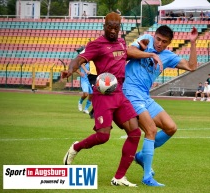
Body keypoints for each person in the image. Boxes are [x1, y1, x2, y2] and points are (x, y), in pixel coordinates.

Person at [61, 12, 141, 187]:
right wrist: (70, 70)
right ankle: (76, 147)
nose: (113, 30)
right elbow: (78, 59)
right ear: (104, 25)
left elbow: (124, 56)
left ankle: (119, 177)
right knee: (103, 136)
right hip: (104, 95)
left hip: (119, 92)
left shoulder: (121, 42)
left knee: (135, 133)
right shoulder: (96, 44)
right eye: (109, 27)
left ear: (120, 28)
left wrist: (143, 50)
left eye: (116, 27)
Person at [123, 25, 198, 186]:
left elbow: (192, 67)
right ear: (154, 36)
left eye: (164, 42)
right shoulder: (146, 40)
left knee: (171, 127)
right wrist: (150, 54)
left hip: (144, 96)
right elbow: (128, 52)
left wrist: (192, 43)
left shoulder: (168, 56)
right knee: (151, 130)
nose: (159, 44)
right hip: (130, 92)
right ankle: (147, 177)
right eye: (158, 39)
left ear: (168, 43)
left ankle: (142, 156)